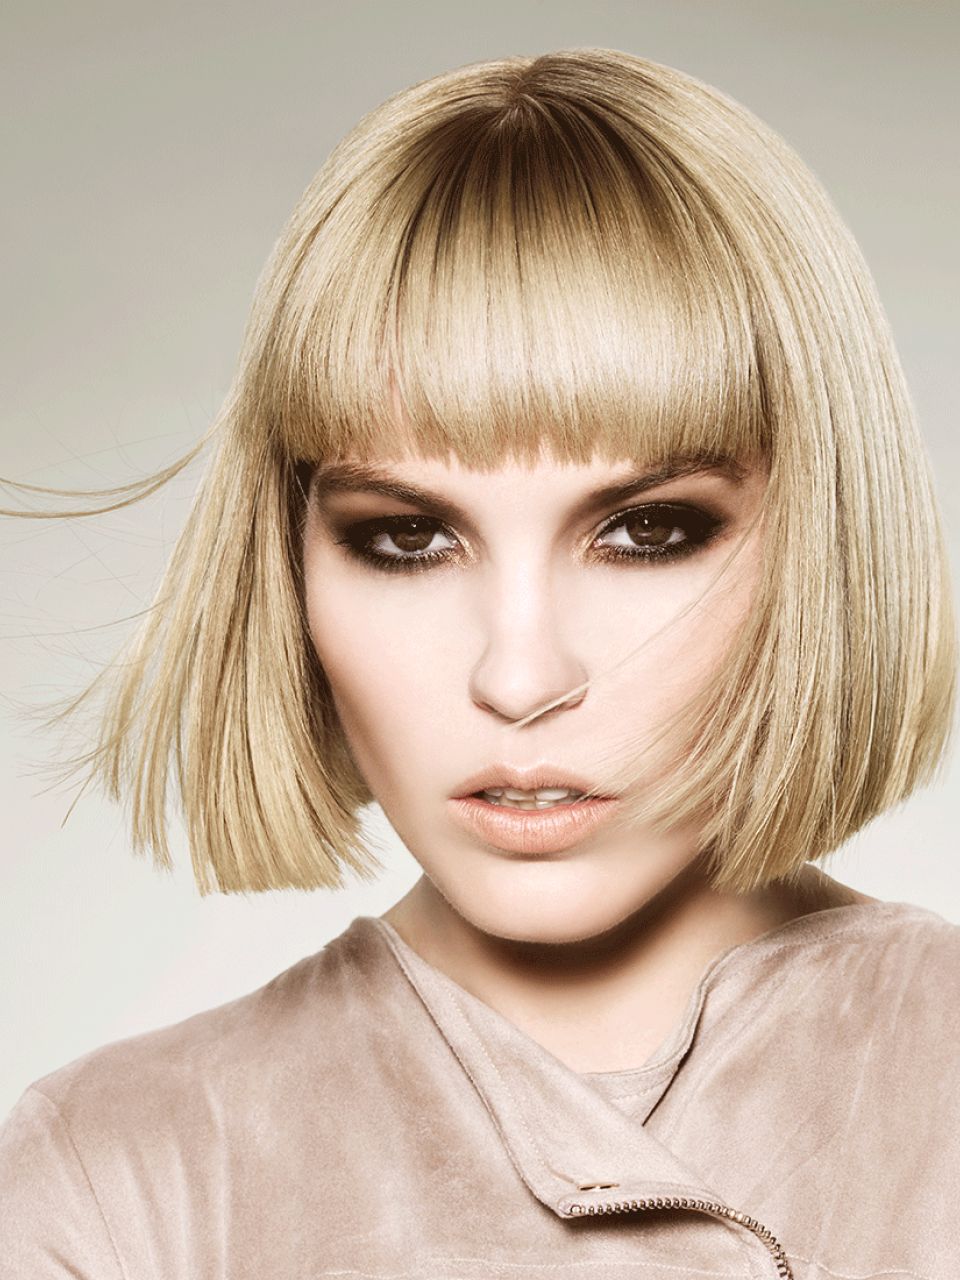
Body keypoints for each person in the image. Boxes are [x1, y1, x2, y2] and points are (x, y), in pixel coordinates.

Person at [0, 46, 957, 1280]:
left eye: (647, 531)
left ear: (824, 540)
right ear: (289, 568)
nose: (518, 675)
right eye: (408, 538)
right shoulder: (116, 1186)